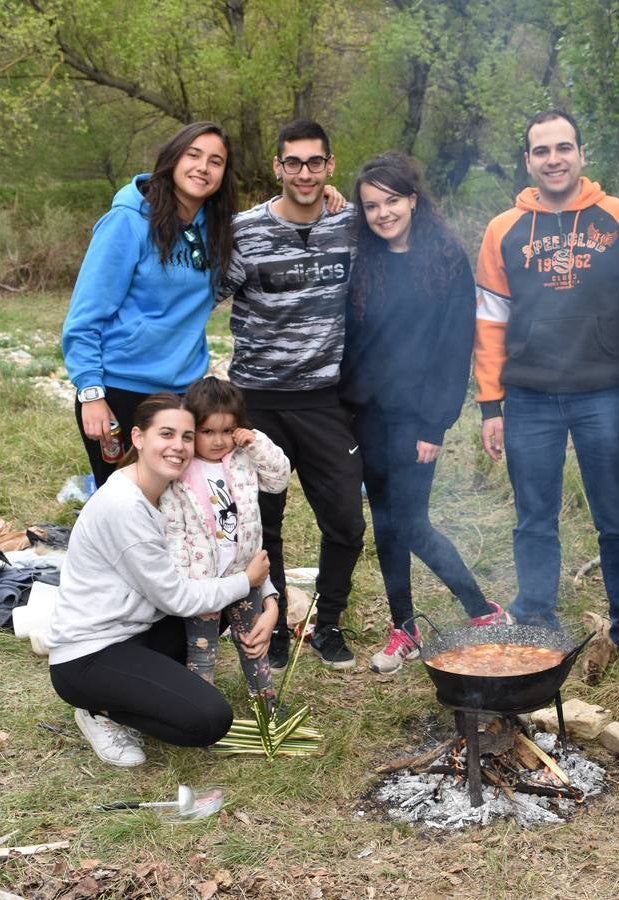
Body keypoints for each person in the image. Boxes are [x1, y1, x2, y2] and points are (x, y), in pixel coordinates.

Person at [475, 109, 619, 680]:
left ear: (582, 154)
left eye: (564, 148)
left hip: (604, 393)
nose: (554, 159)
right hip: (529, 397)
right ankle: (536, 623)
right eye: (541, 151)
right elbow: (489, 321)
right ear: (528, 161)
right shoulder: (503, 228)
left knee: (616, 516)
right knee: (534, 519)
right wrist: (490, 405)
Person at [340, 153, 511, 675]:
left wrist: (434, 423)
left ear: (413, 199)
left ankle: (483, 611)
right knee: (384, 523)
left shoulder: (445, 259)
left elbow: (453, 346)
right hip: (365, 412)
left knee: (410, 522)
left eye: (392, 200)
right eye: (371, 205)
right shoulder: (362, 257)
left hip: (416, 418)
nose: (383, 213)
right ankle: (405, 628)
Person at [47, 394, 273, 767]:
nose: (179, 447)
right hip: (90, 654)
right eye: (166, 434)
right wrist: (246, 582)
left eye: (186, 437)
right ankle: (99, 711)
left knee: (210, 614)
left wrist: (269, 598)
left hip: (141, 631)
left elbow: (233, 550)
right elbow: (178, 599)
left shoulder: (175, 491)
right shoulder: (124, 506)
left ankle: (133, 690)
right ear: (137, 437)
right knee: (209, 720)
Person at [223, 119, 364, 671]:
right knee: (265, 523)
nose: (304, 173)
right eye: (293, 163)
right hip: (259, 398)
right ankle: (273, 623)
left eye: (315, 162)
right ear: (277, 168)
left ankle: (327, 623)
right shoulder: (245, 231)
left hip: (327, 398)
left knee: (347, 522)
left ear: (330, 166)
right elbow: (200, 298)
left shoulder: (352, 225)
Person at [63, 122, 237, 487]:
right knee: (124, 506)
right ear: (173, 159)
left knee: (176, 510)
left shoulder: (217, 230)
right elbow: (85, 315)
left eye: (215, 161)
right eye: (193, 155)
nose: (203, 167)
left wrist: (325, 198)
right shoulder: (127, 222)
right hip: (120, 389)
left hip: (183, 392)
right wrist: (91, 391)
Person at [159, 377, 289, 690]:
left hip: (246, 573)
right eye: (208, 432)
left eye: (228, 430)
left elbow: (279, 478)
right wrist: (183, 579)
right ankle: (197, 708)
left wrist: (255, 441)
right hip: (202, 582)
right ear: (192, 430)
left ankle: (266, 707)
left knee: (254, 644)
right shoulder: (180, 470)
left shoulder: (244, 458)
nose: (219, 441)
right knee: (201, 655)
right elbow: (173, 530)